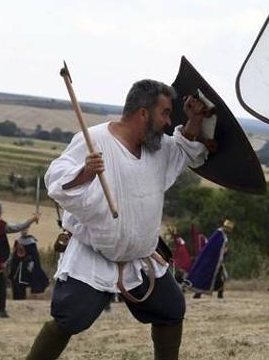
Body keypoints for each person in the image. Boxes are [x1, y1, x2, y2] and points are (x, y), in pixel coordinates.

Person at [24, 79, 211, 360]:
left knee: (171, 310)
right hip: (94, 258)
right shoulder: (95, 140)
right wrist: (85, 172)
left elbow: (184, 149)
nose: (168, 121)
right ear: (143, 113)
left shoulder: (157, 147)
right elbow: (56, 181)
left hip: (140, 259)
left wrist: (196, 120)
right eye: (165, 113)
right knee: (70, 318)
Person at [187, 219, 234, 299]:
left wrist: (223, 252)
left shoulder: (221, 234)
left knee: (217, 277)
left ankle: (216, 294)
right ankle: (202, 293)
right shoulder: (220, 235)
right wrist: (224, 251)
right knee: (212, 276)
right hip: (213, 260)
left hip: (215, 260)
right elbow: (215, 248)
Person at [8, 230, 50, 300]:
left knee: (24, 282)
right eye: (22, 230)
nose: (24, 232)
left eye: (25, 230)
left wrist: (32, 263)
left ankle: (24, 298)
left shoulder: (31, 241)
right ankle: (17, 298)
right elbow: (14, 254)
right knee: (16, 282)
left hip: (27, 265)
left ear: (27, 231)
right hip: (18, 266)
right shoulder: (18, 241)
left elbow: (35, 255)